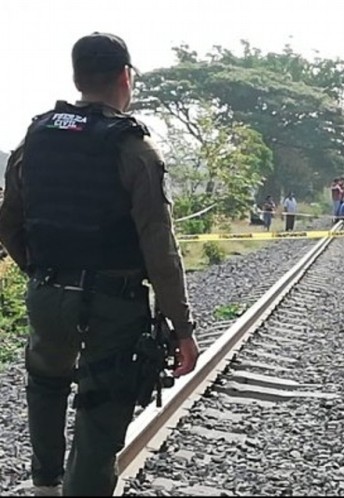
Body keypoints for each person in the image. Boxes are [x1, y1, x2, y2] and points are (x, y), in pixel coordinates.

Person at [0, 32, 199, 497]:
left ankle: (44, 484)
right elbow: (159, 246)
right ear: (125, 77)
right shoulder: (134, 149)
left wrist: (40, 272)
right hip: (113, 301)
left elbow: (8, 221)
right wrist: (182, 327)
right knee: (100, 405)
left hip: (47, 291)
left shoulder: (35, 137)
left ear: (77, 77)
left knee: (46, 381)